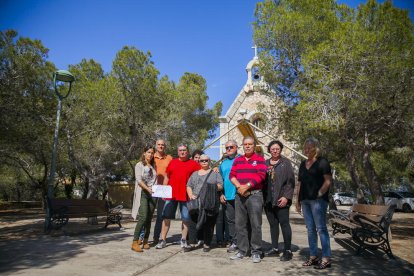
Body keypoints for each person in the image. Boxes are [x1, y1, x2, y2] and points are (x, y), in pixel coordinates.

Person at [295, 137, 333, 270]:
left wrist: (320, 194)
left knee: (321, 229)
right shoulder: (302, 163)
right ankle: (313, 256)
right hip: (305, 201)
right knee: (310, 230)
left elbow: (328, 180)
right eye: (305, 147)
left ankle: (326, 258)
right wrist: (297, 200)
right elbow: (299, 183)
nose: (306, 149)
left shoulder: (322, 162)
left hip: (318, 201)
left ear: (316, 148)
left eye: (309, 147)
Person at [155, 143, 201, 249]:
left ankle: (183, 240)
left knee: (185, 218)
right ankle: (163, 240)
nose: (182, 152)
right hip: (171, 195)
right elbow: (166, 177)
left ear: (188, 151)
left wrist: (215, 168)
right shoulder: (173, 162)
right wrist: (163, 191)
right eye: (180, 150)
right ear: (177, 152)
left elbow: (201, 174)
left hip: (186, 196)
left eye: (184, 150)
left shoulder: (194, 164)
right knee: (166, 217)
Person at [229, 136, 267, 263]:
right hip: (240, 195)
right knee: (240, 224)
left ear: (254, 146)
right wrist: (239, 187)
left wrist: (247, 186)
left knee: (256, 224)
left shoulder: (260, 160)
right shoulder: (237, 160)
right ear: (242, 146)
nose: (247, 146)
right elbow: (232, 175)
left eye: (250, 144)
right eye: (245, 144)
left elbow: (261, 175)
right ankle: (242, 250)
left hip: (254, 195)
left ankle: (256, 251)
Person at [263, 140, 295, 261]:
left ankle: (288, 250)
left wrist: (286, 197)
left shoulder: (285, 163)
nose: (275, 150)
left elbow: (290, 182)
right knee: (273, 225)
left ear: (280, 150)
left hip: (281, 199)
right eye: (272, 149)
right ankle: (275, 248)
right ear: (269, 150)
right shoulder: (265, 163)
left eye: (277, 148)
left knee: (284, 224)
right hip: (268, 199)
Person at [186, 154, 223, 252]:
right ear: (199, 162)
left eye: (206, 160)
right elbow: (189, 185)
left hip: (210, 202)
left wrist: (212, 187)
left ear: (209, 161)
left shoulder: (215, 173)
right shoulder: (195, 174)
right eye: (202, 160)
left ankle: (207, 244)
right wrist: (191, 195)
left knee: (209, 223)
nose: (204, 162)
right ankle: (192, 243)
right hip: (196, 202)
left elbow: (220, 185)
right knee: (192, 222)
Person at [131, 145, 158, 252]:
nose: (150, 154)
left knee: (149, 218)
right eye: (148, 152)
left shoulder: (153, 166)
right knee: (143, 216)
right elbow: (139, 180)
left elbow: (155, 180)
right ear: (144, 153)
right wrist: (148, 189)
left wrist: (155, 189)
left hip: (153, 194)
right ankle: (135, 242)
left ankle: (146, 240)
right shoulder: (139, 165)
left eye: (152, 153)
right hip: (143, 193)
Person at [218, 140, 240, 252]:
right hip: (228, 196)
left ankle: (245, 242)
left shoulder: (242, 160)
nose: (229, 149)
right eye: (227, 148)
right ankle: (234, 241)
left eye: (231, 147)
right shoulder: (223, 164)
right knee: (231, 221)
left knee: (243, 220)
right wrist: (221, 194)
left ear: (236, 147)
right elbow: (220, 181)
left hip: (241, 195)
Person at [152, 139, 173, 244]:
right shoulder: (151, 156)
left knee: (161, 215)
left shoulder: (169, 158)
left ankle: (157, 238)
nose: (161, 146)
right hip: (152, 188)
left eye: (162, 145)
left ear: (165, 146)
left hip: (164, 189)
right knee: (148, 214)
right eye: (159, 144)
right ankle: (143, 238)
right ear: (156, 146)